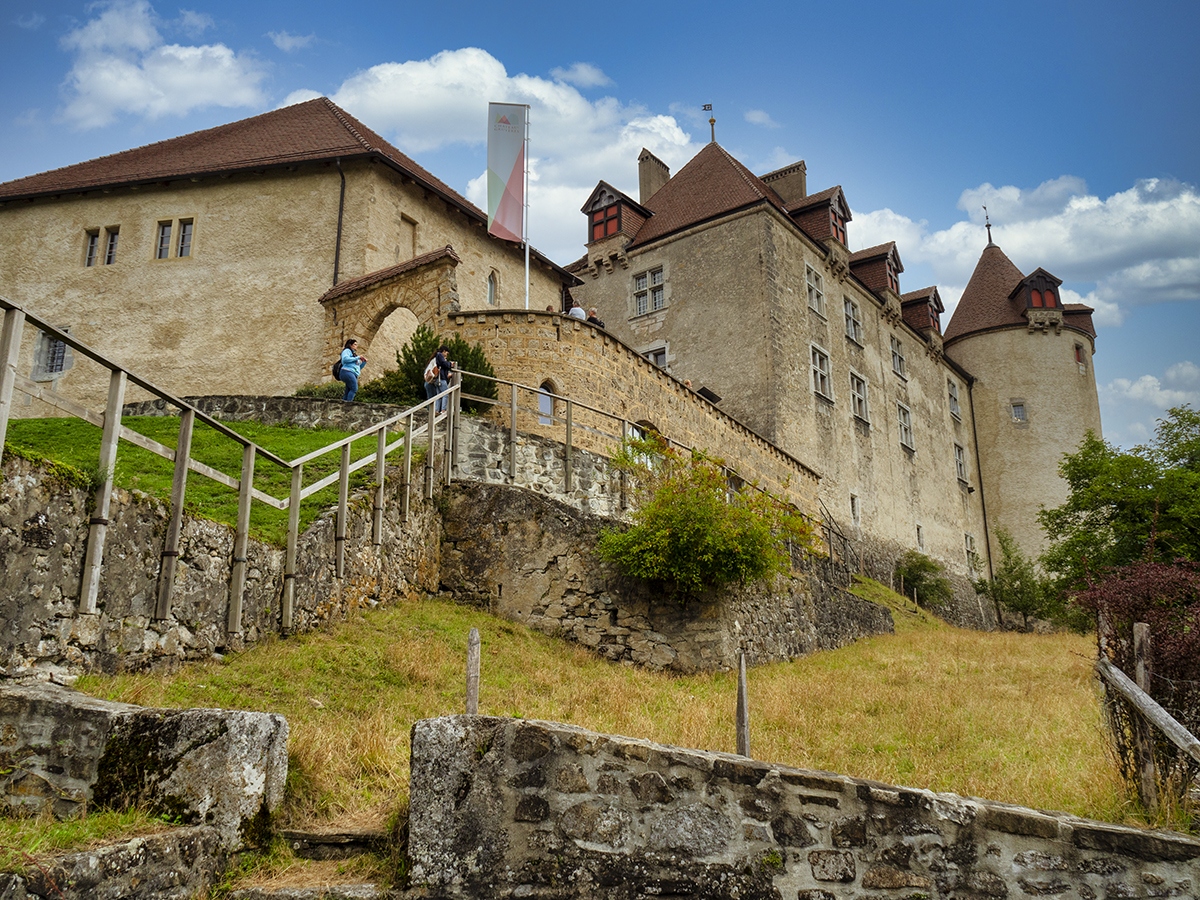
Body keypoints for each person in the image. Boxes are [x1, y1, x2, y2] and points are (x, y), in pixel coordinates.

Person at [425, 345, 454, 413]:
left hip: (437, 379)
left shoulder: (437, 356)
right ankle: (443, 410)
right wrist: (450, 364)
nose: (446, 355)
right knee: (445, 394)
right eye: (447, 353)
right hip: (441, 379)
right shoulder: (440, 355)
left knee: (439, 395)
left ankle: (437, 410)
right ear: (444, 351)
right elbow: (443, 364)